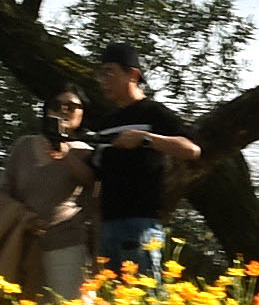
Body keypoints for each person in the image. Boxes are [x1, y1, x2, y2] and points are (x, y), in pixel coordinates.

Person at [77, 55, 200, 277]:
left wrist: (145, 138)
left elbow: (191, 150)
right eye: (100, 74)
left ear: (133, 74)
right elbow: (95, 180)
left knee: (143, 296)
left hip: (141, 226)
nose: (103, 80)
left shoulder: (153, 113)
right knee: (109, 299)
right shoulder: (105, 124)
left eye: (109, 72)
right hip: (106, 228)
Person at [0, 86, 97, 305]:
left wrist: (65, 154)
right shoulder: (24, 146)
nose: (63, 109)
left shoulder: (86, 152)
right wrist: (23, 216)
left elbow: (92, 184)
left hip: (67, 245)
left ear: (82, 114)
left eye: (71, 106)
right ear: (46, 111)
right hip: (22, 244)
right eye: (56, 105)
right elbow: (4, 189)